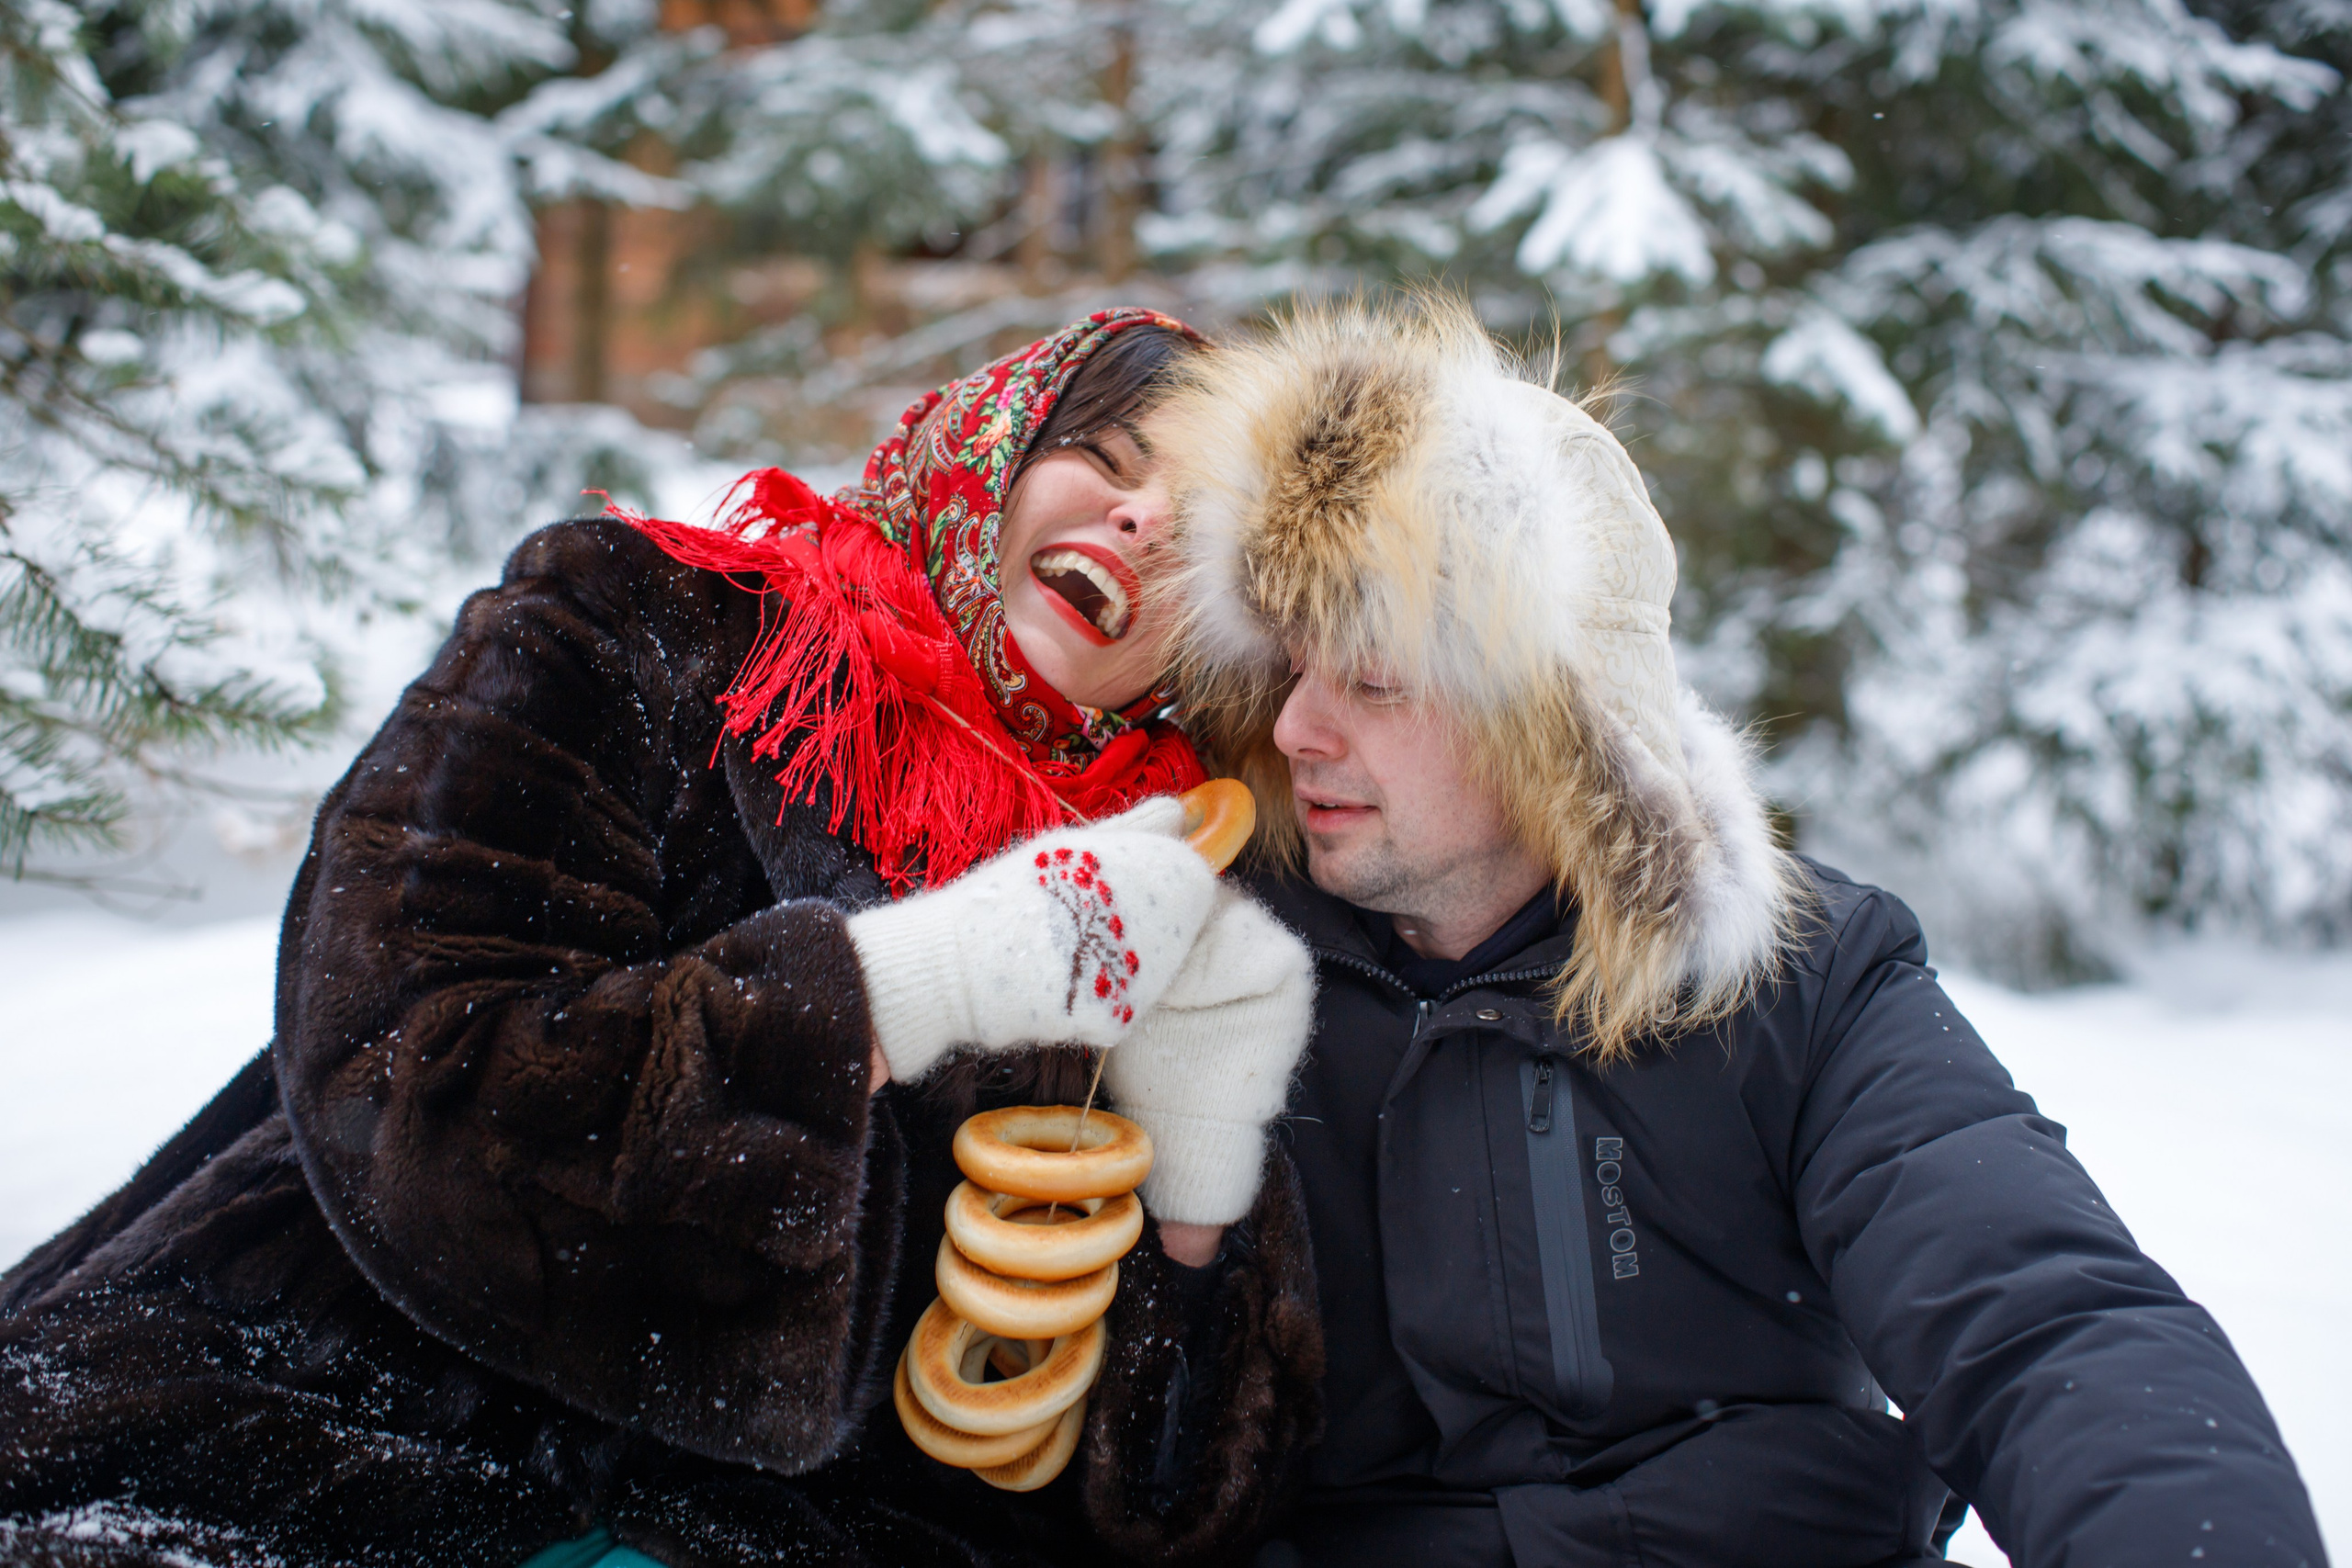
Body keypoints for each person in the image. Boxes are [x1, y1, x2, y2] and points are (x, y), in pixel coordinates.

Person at [0, 310, 1326, 1567]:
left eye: (1199, 532)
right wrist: (913, 987)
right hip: (296, 1422)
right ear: (997, 448)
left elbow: (1158, 1509)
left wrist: (1198, 1184)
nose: (1141, 519)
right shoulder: (639, 623)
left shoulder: (1167, 897)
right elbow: (404, 1072)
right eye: (1107, 461)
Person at [1147, 296, 2329, 1567]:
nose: (1296, 730)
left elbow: (2045, 1328)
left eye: (1374, 678)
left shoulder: (1800, 984)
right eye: (1293, 666)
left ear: (1558, 724)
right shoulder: (1229, 981)